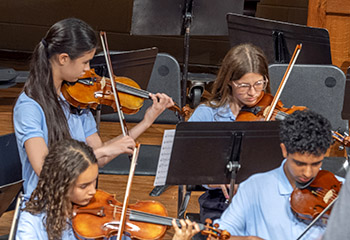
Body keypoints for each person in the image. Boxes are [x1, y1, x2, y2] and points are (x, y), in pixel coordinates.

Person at [13, 18, 174, 201]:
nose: (88, 70)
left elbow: (99, 157)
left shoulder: (76, 100)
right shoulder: (29, 107)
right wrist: (103, 151)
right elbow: (44, 169)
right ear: (63, 59)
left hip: (78, 201)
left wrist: (146, 121)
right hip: (47, 205)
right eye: (85, 62)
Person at [16, 138, 200, 240]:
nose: (92, 191)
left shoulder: (101, 214)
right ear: (60, 185)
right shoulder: (31, 223)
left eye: (94, 182)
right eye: (83, 186)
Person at [214, 110, 337, 240]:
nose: (307, 173)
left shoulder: (341, 188)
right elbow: (221, 234)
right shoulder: (254, 187)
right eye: (299, 164)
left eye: (316, 164)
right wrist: (248, 239)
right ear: (284, 150)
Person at [188, 43, 270, 222]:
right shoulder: (207, 114)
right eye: (244, 85)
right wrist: (213, 180)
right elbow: (189, 165)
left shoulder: (270, 114)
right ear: (230, 82)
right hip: (220, 202)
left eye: (259, 83)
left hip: (263, 201)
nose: (253, 92)